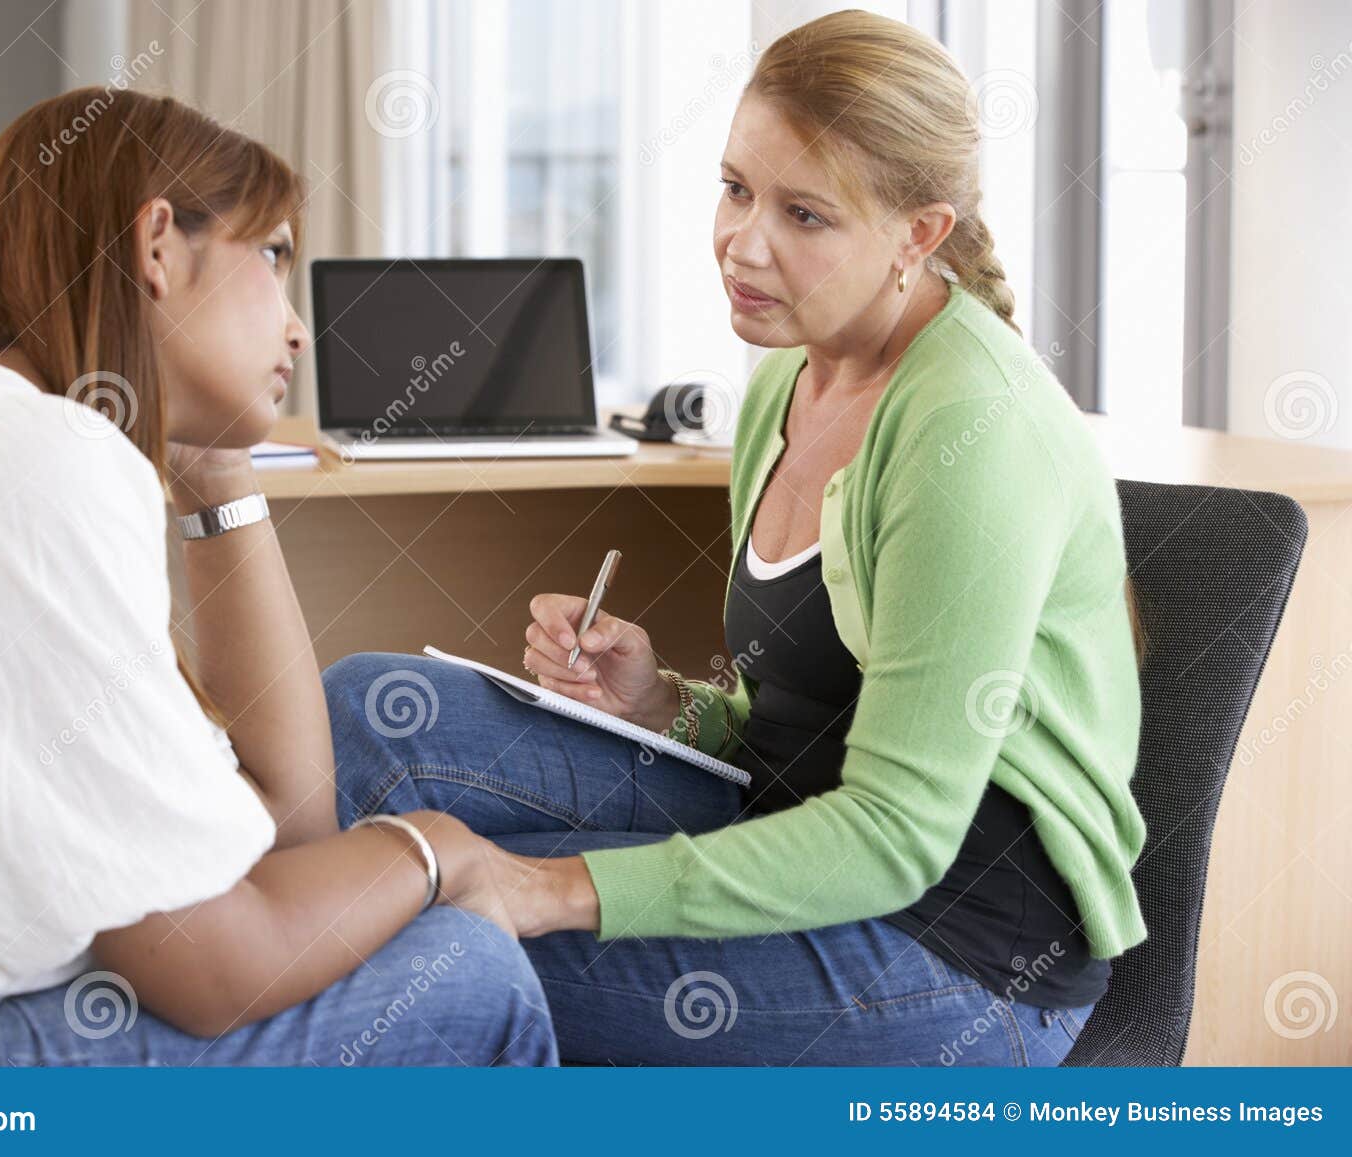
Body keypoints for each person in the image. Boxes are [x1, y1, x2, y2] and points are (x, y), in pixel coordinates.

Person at [326, 10, 1148, 1066]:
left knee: (439, 946)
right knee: (366, 709)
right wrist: (661, 703)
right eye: (735, 187)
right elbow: (800, 722)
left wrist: (548, 886)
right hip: (790, 829)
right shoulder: (783, 384)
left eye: (804, 214)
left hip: (958, 957)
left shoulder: (970, 436)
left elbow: (895, 833)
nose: (741, 243)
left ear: (921, 234)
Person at [0, 88, 553, 1067]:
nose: (298, 331)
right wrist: (437, 846)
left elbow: (279, 838)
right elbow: (216, 967)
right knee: (469, 971)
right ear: (159, 246)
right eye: (273, 256)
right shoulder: (16, 456)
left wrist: (213, 464)